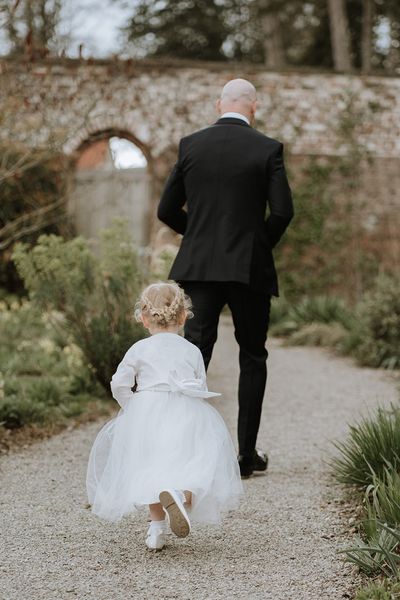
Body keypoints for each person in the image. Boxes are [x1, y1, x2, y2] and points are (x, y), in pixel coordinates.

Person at [157, 78, 294, 479]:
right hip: (248, 269)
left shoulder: (191, 145)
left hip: (199, 269)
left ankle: (184, 451)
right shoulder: (267, 149)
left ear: (219, 104)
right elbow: (283, 212)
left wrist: (198, 236)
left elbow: (167, 210)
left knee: (194, 354)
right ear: (254, 106)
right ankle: (246, 457)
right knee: (252, 355)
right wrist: (256, 246)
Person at [86, 282, 243, 551]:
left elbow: (118, 384)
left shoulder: (138, 349)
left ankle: (156, 529)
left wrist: (133, 407)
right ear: (183, 317)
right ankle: (180, 497)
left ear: (144, 318)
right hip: (186, 410)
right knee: (193, 462)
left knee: (150, 467)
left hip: (147, 410)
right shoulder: (192, 350)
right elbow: (200, 386)